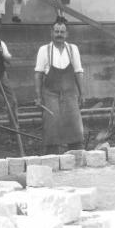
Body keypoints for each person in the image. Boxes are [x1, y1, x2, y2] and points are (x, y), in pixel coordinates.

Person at [34, 19, 85, 154]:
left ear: (67, 33)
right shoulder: (44, 50)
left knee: (75, 126)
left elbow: (78, 72)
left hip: (70, 94)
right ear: (51, 33)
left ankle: (77, 156)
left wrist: (82, 94)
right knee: (52, 127)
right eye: (56, 31)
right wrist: (38, 97)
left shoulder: (73, 49)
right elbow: (38, 74)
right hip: (50, 94)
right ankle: (52, 157)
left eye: (62, 32)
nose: (59, 34)